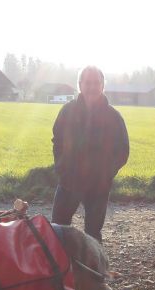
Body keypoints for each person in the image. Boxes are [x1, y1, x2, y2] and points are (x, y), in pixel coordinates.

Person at [50, 66, 129, 242]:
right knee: (57, 229)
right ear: (80, 85)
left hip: (98, 186)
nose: (92, 87)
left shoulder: (114, 117)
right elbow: (57, 141)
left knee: (93, 233)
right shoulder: (67, 111)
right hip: (68, 181)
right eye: (87, 83)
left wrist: (106, 174)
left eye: (96, 83)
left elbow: (123, 151)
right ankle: (62, 267)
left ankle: (93, 268)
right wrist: (62, 168)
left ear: (103, 86)